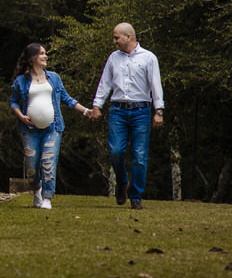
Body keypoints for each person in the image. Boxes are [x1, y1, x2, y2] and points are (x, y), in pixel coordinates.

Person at [87, 23, 164, 210]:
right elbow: (105, 83)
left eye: (116, 38)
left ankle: (136, 196)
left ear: (128, 37)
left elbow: (155, 84)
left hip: (141, 110)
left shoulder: (148, 58)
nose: (114, 41)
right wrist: (97, 105)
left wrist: (159, 110)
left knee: (139, 155)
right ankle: (122, 182)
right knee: (115, 152)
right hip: (118, 110)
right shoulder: (113, 58)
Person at [9, 43, 91, 210]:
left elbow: (67, 99)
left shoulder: (54, 77)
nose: (45, 57)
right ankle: (36, 189)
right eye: (42, 54)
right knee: (31, 164)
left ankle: (47, 197)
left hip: (52, 128)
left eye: (45, 53)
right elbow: (13, 102)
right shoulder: (21, 81)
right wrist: (21, 116)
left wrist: (86, 111)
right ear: (32, 58)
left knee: (48, 162)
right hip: (29, 129)